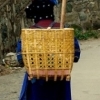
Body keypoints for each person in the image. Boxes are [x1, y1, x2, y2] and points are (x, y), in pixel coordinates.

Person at [19, 0, 80, 100]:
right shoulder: (62, 30)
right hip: (59, 80)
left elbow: (21, 59)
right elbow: (76, 56)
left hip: (37, 82)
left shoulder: (28, 33)